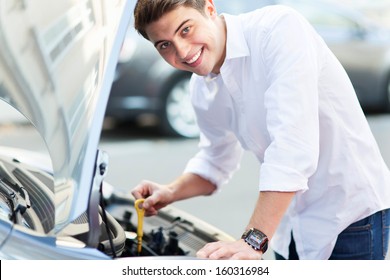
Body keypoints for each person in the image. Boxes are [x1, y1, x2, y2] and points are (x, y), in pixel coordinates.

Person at [130, 0, 390, 260]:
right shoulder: (201, 88)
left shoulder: (279, 29)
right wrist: (170, 192)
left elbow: (292, 147)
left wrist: (253, 241)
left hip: (350, 217)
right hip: (288, 225)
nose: (183, 51)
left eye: (185, 29)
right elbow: (215, 161)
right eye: (165, 45)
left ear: (210, 8)